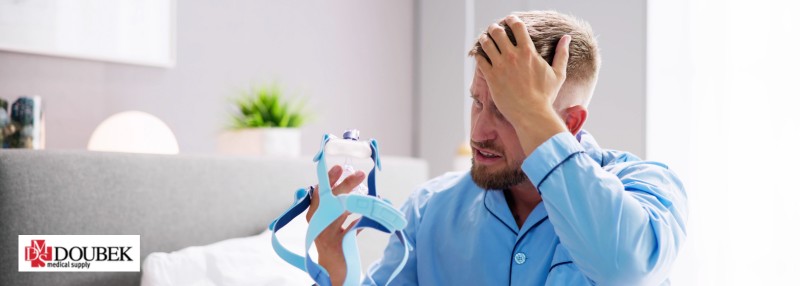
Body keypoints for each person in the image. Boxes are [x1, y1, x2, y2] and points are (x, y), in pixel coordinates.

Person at [307, 10, 688, 285]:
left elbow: (625, 270)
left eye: (507, 111)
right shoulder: (429, 211)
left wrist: (534, 115)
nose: (480, 130)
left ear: (569, 124)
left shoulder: (646, 191)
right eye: (477, 102)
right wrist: (335, 263)